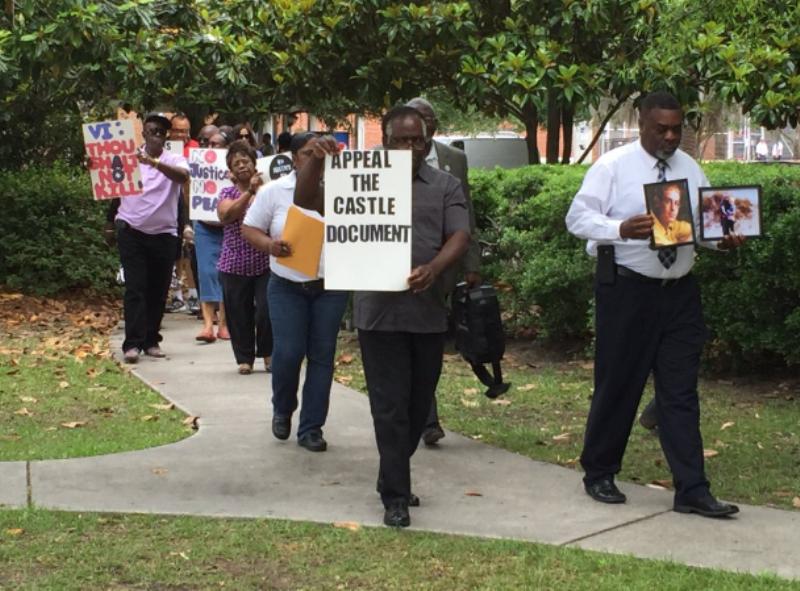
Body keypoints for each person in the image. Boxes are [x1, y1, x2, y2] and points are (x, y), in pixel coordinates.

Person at [565, 90, 744, 518]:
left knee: (680, 392)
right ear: (640, 124)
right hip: (628, 291)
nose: (670, 136)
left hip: (679, 294)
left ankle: (692, 489)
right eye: (660, 129)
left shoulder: (690, 167)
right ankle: (600, 472)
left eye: (676, 129)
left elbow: (702, 226)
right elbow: (577, 218)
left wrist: (726, 238)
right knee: (619, 383)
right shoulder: (613, 167)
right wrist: (620, 227)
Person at [294, 106, 470, 528]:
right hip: (378, 315)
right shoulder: (355, 178)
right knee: (389, 409)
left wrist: (435, 268)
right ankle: (395, 496)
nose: (411, 147)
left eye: (418, 141)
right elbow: (304, 202)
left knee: (414, 408)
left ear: (427, 143)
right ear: (385, 142)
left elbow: (460, 234)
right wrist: (317, 159)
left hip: (427, 315)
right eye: (401, 140)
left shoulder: (444, 184)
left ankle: (391, 472)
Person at [241, 132, 348, 453]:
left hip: (331, 287)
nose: (316, 157)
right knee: (287, 353)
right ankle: (283, 407)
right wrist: (269, 246)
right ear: (294, 158)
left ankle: (311, 428)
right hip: (287, 285)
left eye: (321, 152)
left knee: (322, 357)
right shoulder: (274, 192)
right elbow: (249, 228)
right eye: (308, 152)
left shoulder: (346, 190)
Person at [406, 97, 481, 447]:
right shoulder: (384, 157)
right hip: (401, 267)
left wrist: (472, 264)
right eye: (416, 118)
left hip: (444, 270)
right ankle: (427, 419)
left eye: (429, 118)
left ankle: (424, 411)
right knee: (407, 345)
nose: (423, 123)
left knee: (429, 344)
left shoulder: (455, 161)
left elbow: (467, 217)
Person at [115, 113, 190, 363]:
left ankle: (151, 340)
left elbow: (182, 177)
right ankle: (132, 344)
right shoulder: (129, 158)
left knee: (158, 290)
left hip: (164, 234)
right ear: (144, 133)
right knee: (135, 288)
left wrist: (153, 163)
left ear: (166, 136)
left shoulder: (174, 160)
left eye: (161, 132)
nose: (156, 135)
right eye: (152, 130)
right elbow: (111, 180)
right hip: (131, 230)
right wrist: (96, 166)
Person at [217, 141, 272, 375]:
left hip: (265, 263)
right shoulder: (227, 193)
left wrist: (258, 190)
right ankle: (245, 358)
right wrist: (248, 192)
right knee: (238, 313)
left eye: (245, 161)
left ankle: (269, 354)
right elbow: (226, 215)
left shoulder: (270, 190)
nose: (241, 166)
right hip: (234, 263)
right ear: (230, 171)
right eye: (236, 163)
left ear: (255, 165)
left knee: (267, 310)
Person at [192, 124, 230, 343]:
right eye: (206, 143)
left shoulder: (233, 167)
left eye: (215, 144)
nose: (209, 147)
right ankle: (208, 325)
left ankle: (224, 325)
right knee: (206, 273)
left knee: (225, 275)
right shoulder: (197, 164)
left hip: (228, 227)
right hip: (204, 226)